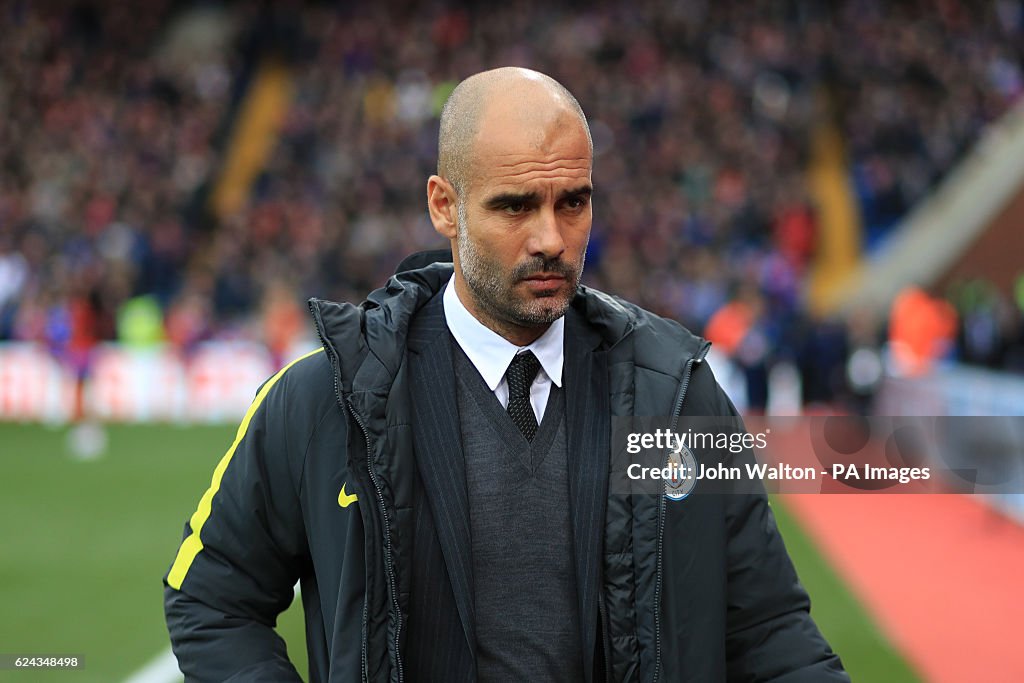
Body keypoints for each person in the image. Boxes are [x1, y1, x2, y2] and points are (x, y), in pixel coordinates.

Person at [163, 67, 848, 682]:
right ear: (443, 206)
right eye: (515, 205)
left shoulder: (676, 397)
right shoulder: (325, 400)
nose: (550, 237)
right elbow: (211, 594)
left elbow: (768, 629)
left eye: (573, 202)